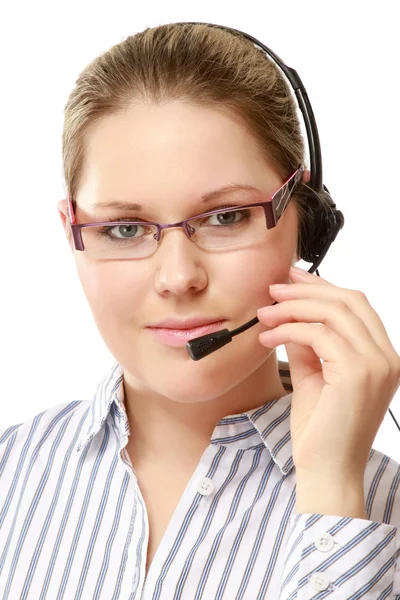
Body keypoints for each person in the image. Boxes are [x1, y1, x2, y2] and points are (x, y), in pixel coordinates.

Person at [1, 22, 399, 600]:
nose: (179, 277)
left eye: (225, 217)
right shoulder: (12, 474)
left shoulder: (382, 512)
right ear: (72, 232)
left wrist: (333, 495)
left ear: (305, 217)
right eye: (125, 228)